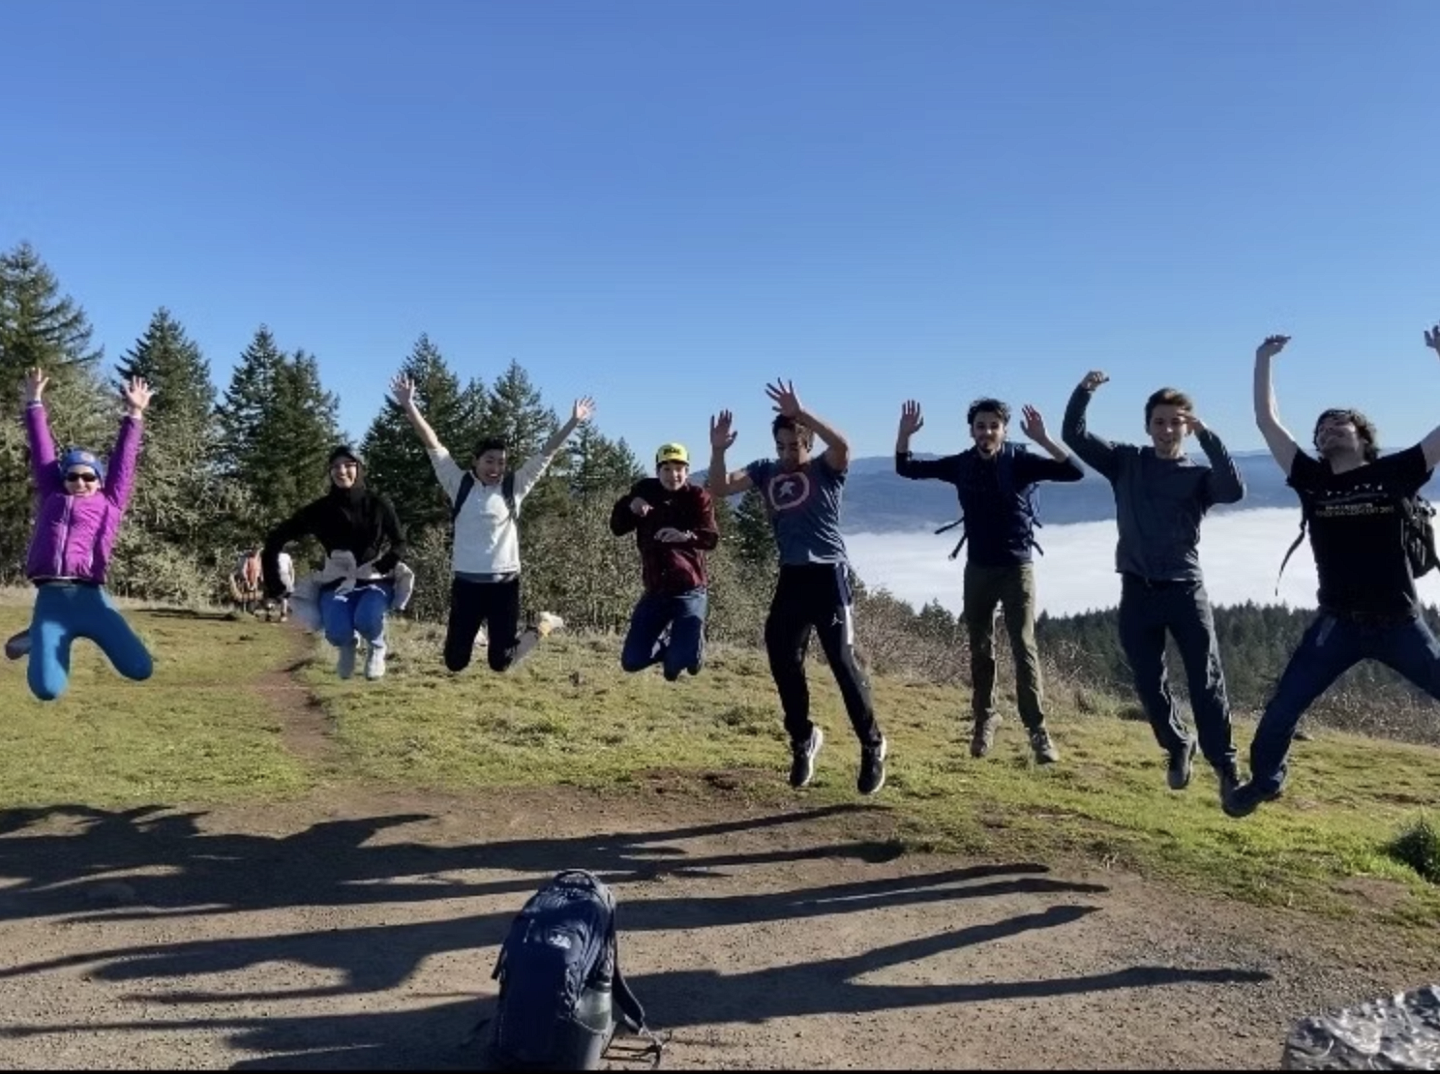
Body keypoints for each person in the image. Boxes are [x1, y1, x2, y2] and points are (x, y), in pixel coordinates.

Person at [1225, 328, 1440, 817]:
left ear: (1363, 437)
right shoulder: (1312, 479)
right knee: (1283, 707)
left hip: (1399, 621)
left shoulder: (1397, 472)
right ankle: (1264, 782)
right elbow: (1267, 421)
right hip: (1337, 622)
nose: (1328, 430)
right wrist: (1263, 360)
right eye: (1322, 428)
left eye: (1340, 424)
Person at [1061, 369, 1245, 795]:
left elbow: (1234, 490)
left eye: (1175, 422)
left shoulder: (1198, 477)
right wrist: (1084, 391)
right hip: (1137, 590)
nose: (1166, 429)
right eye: (1159, 421)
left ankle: (1226, 767)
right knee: (1147, 682)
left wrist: (1210, 438)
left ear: (1187, 426)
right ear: (1148, 426)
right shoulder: (1127, 462)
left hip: (1185, 590)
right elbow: (1075, 434)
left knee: (1205, 680)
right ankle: (1179, 744)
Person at [707, 379, 889, 796]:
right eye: (782, 447)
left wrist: (803, 413)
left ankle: (872, 744)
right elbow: (718, 487)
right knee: (781, 656)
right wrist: (718, 450)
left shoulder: (826, 469)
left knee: (842, 663)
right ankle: (803, 737)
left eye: (795, 446)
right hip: (791, 576)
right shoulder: (764, 472)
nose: (788, 454)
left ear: (807, 443)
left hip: (829, 575)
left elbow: (843, 444)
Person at [895, 396, 1083, 763]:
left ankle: (1037, 731)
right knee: (980, 649)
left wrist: (1044, 439)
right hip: (978, 568)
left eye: (993, 426)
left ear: (1004, 430)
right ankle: (985, 718)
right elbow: (907, 468)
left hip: (1017, 569)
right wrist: (904, 436)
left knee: (1023, 648)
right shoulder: (961, 465)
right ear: (971, 431)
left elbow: (1074, 472)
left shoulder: (1021, 462)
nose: (986, 432)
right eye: (980, 426)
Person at [390, 374, 584, 673]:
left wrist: (572, 422)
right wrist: (409, 405)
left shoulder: (514, 487)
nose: (496, 468)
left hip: (504, 586)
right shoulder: (458, 483)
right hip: (466, 586)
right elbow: (432, 444)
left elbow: (546, 453)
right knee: (455, 662)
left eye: (501, 462)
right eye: (490, 461)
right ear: (476, 461)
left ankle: (544, 625)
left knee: (501, 663)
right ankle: (476, 635)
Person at [7, 367, 155, 701]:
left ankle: (36, 637)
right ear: (63, 479)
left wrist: (134, 413)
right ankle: (38, 635)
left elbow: (124, 461)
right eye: (72, 476)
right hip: (52, 601)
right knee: (47, 689)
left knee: (140, 669)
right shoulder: (53, 496)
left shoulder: (111, 502)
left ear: (100, 481)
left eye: (89, 477)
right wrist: (34, 402)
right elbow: (42, 450)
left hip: (92, 599)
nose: (80, 482)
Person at [261, 446, 407, 680]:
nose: (342, 471)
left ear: (359, 468)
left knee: (367, 619)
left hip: (374, 579)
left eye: (348, 465)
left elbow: (400, 542)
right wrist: (274, 582)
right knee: (337, 632)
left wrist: (385, 563)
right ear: (330, 472)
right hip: (336, 581)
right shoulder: (320, 510)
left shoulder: (378, 504)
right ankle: (347, 646)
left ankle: (377, 648)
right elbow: (275, 539)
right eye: (336, 466)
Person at [609, 442, 718, 681]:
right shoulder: (645, 491)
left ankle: (690, 645)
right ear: (658, 471)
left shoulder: (697, 497)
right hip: (655, 591)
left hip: (689, 591)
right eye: (666, 469)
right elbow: (617, 527)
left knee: (675, 669)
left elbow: (710, 539)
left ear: (687, 472)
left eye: (679, 468)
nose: (673, 475)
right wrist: (630, 506)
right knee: (631, 661)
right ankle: (678, 645)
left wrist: (685, 536)